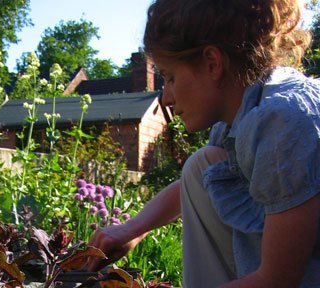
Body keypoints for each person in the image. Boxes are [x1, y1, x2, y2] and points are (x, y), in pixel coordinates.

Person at [86, 0, 320, 287]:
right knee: (203, 166)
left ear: (212, 63)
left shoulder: (284, 123)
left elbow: (277, 280)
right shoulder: (244, 110)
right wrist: (133, 228)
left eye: (170, 78)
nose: (166, 98)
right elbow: (193, 185)